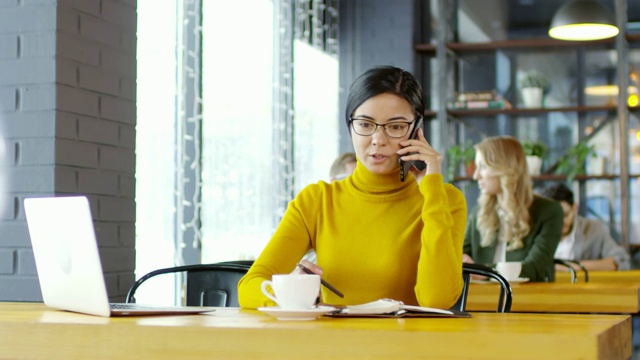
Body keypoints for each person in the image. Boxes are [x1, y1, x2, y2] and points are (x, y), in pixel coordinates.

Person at [238, 65, 467, 309]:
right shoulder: (317, 200)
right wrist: (287, 294)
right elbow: (249, 286)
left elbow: (437, 299)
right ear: (350, 126)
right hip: (333, 344)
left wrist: (432, 186)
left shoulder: (445, 200)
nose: (378, 140)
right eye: (366, 125)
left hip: (409, 345)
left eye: (396, 127)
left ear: (416, 130)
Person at [462, 136, 563, 282]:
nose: (476, 175)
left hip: (530, 300)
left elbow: (535, 267)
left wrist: (484, 271)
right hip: (481, 298)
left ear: (504, 168)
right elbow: (461, 257)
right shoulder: (479, 211)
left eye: (483, 166)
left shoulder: (549, 211)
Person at [539, 182, 630, 271]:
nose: (560, 222)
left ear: (575, 208)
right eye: (553, 217)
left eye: (565, 215)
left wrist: (577, 266)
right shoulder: (536, 231)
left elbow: (621, 260)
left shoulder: (594, 229)